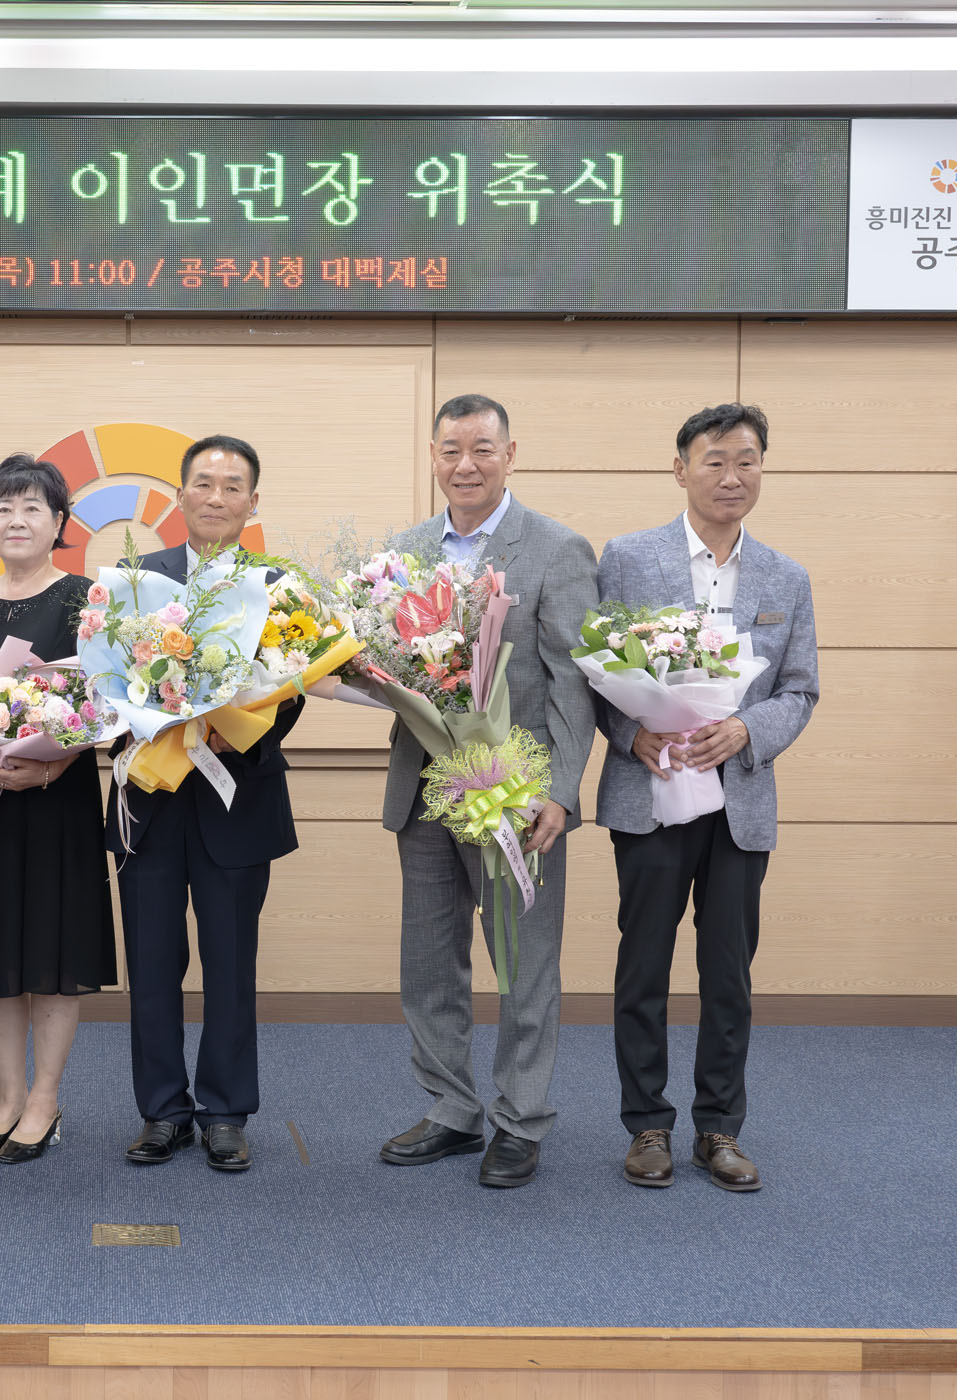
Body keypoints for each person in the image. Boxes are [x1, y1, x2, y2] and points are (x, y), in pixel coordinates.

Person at [595, 402, 818, 1193]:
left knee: (728, 974)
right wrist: (632, 734)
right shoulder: (628, 558)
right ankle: (647, 1125)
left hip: (739, 800)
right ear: (681, 468)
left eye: (747, 460)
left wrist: (745, 730)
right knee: (642, 966)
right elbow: (593, 673)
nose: (732, 476)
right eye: (715, 460)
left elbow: (800, 690)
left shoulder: (786, 577)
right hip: (651, 791)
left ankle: (720, 1128)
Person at [378, 393, 598, 1189]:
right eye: (451, 449)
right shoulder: (403, 552)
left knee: (523, 964)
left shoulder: (556, 549)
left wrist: (562, 792)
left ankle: (520, 1118)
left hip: (518, 797)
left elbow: (574, 682)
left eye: (481, 449)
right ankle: (451, 1108)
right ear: (433, 457)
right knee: (429, 964)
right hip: (426, 791)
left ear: (510, 455)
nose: (465, 464)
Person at [108, 434, 301, 1174]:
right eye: (204, 483)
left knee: (231, 963)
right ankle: (162, 1111)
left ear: (252, 502)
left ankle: (225, 1112)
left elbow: (293, 687)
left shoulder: (278, 586)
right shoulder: (135, 583)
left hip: (236, 799)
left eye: (232, 486)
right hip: (149, 801)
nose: (216, 497)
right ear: (180, 494)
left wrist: (232, 728)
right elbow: (106, 680)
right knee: (152, 963)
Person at [0, 454, 117, 1164]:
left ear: (59, 522)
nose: (16, 520)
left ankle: (45, 1098)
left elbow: (107, 702)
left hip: (55, 802)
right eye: (3, 508)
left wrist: (50, 766)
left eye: (32, 507)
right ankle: (8, 1096)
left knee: (52, 949)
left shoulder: (84, 597)